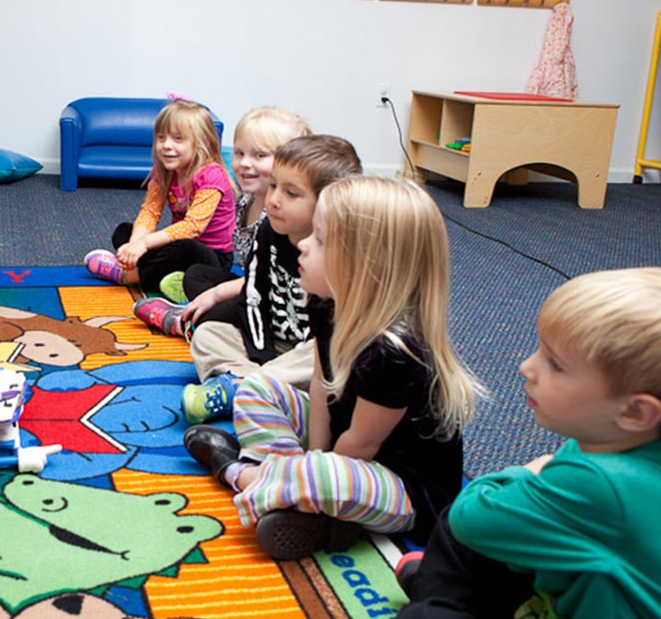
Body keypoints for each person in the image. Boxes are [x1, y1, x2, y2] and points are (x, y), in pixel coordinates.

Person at [184, 176, 482, 560]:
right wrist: (314, 453)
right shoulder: (326, 305)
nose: (303, 245)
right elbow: (322, 387)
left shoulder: (395, 353)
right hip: (343, 451)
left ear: (366, 264)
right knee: (254, 389)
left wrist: (316, 468)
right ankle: (313, 507)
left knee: (325, 476)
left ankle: (239, 473)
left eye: (320, 240)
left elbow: (361, 445)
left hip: (400, 486)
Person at [396, 268, 661, 619]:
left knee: (469, 513)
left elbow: (468, 519)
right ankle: (441, 583)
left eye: (555, 364)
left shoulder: (599, 483)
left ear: (636, 412)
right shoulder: (630, 451)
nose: (525, 367)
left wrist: (528, 471)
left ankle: (438, 594)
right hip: (577, 578)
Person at [135, 135, 361, 425]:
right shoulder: (268, 231)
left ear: (329, 202)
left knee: (329, 355)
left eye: (291, 193)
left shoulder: (333, 250)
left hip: (310, 351)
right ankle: (257, 388)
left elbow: (335, 334)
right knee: (208, 334)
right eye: (274, 186)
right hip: (275, 341)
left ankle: (245, 387)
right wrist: (262, 355)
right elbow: (254, 292)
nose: (274, 200)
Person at [154, 106, 311, 304]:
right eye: (239, 153)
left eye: (259, 155)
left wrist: (216, 294)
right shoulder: (246, 201)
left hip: (277, 297)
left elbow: (272, 280)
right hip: (251, 284)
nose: (245, 163)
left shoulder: (280, 215)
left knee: (215, 305)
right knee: (197, 277)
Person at [84, 98, 235, 295]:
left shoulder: (211, 175)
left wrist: (144, 244)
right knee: (124, 231)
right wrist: (134, 244)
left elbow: (192, 227)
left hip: (212, 258)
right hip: (178, 244)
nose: (166, 145)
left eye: (178, 139)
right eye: (161, 138)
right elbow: (150, 212)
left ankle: (130, 276)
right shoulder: (164, 171)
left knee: (185, 248)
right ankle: (170, 280)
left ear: (200, 143)